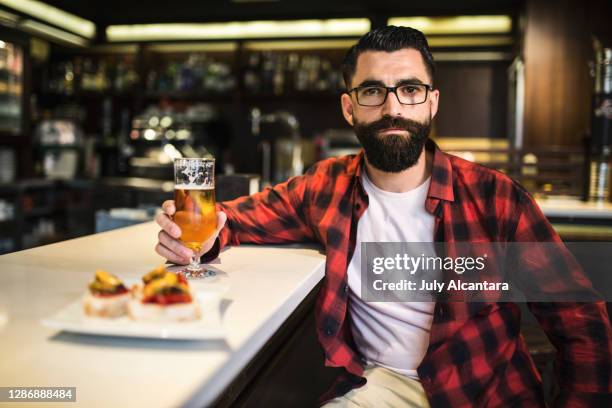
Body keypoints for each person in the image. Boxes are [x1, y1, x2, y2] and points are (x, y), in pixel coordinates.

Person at [155, 26, 612, 407]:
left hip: (483, 395)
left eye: (409, 90)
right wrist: (191, 234)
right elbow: (232, 220)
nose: (393, 108)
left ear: (432, 102)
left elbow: (583, 325)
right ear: (349, 107)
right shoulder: (325, 186)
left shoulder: (497, 199)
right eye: (373, 91)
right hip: (377, 389)